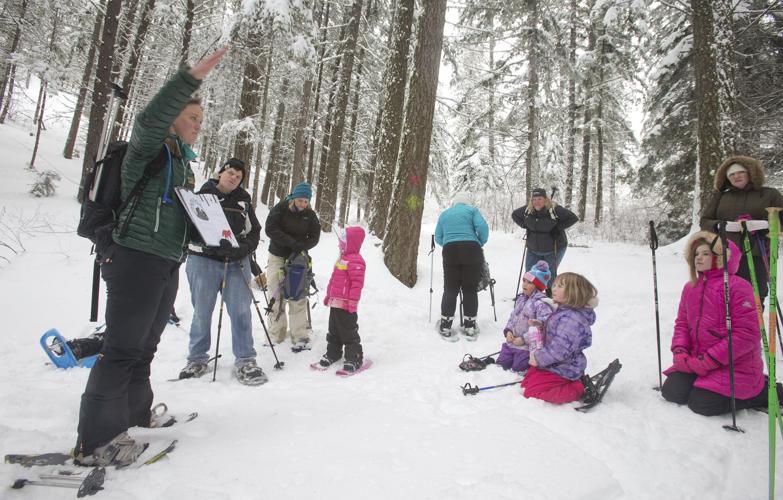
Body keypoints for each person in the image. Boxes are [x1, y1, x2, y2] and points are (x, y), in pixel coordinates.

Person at [74, 48, 228, 466]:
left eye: (200, 120)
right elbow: (147, 120)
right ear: (174, 115)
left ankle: (135, 414)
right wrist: (187, 81)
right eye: (192, 118)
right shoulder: (149, 148)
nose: (199, 126)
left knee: (145, 346)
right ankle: (97, 441)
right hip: (135, 258)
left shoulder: (182, 165)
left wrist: (210, 230)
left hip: (165, 262)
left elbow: (172, 215)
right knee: (122, 347)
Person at [178, 158, 266, 385]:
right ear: (220, 173)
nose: (233, 178)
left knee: (241, 311)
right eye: (230, 173)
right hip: (202, 260)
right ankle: (197, 359)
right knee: (201, 312)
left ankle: (246, 360)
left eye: (238, 177)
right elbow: (185, 227)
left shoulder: (244, 203)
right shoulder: (200, 196)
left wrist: (242, 250)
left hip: (236, 262)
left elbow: (255, 232)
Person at [661, 231, 767, 416]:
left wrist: (709, 360)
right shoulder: (691, 287)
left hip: (734, 365)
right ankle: (702, 382)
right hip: (696, 361)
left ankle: (763, 392)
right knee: (672, 391)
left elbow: (746, 335)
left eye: (705, 253)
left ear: (719, 257)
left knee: (701, 404)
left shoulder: (739, 286)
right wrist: (680, 352)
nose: (698, 258)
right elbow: (682, 324)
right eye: (696, 254)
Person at [699, 155, 783, 302]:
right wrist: (720, 225)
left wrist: (765, 224)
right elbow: (705, 221)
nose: (736, 176)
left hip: (759, 252)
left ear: (750, 172)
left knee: (753, 297)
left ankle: (752, 325)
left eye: (740, 172)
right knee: (726, 297)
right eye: (731, 174)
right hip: (726, 254)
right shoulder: (721, 197)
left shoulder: (769, 194)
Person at [521, 272, 596, 404]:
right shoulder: (564, 311)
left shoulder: (572, 319)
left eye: (560, 286)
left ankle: (577, 388)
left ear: (573, 292)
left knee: (532, 392)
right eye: (554, 285)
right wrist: (542, 325)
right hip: (555, 363)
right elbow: (557, 330)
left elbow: (559, 349)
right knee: (528, 380)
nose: (553, 289)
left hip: (565, 367)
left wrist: (538, 358)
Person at [264, 181, 320, 351]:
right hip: (277, 256)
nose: (303, 204)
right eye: (300, 200)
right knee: (276, 294)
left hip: (298, 259)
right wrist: (291, 242)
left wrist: (300, 247)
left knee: (298, 295)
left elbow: (315, 237)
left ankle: (300, 335)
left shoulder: (310, 215)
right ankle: (276, 334)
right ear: (294, 197)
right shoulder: (280, 209)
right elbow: (270, 229)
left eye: (306, 201)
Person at [434, 192, 489, 339]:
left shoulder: (445, 214)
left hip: (450, 251)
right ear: (467, 202)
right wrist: (479, 241)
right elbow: (483, 227)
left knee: (450, 288)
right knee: (470, 289)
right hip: (472, 250)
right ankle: (469, 326)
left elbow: (438, 237)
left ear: (455, 203)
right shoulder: (472, 210)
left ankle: (445, 325)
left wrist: (449, 242)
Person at [315, 225, 367, 372]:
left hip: (346, 305)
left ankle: (354, 357)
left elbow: (357, 285)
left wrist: (353, 302)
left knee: (348, 331)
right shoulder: (342, 259)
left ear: (351, 243)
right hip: (335, 303)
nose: (339, 244)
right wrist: (328, 297)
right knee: (334, 330)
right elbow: (333, 280)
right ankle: (333, 352)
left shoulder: (356, 261)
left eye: (342, 242)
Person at [511, 188, 578, 289]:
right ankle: (529, 293)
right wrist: (525, 225)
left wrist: (557, 228)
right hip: (533, 248)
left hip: (553, 248)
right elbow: (515, 215)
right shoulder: (528, 209)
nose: (536, 202)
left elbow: (573, 218)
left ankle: (550, 294)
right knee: (530, 272)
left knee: (549, 273)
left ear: (545, 199)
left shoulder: (554, 209)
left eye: (539, 199)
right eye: (534, 199)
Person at [496, 261, 556, 373]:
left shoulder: (541, 304)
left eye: (529, 283)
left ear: (537, 286)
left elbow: (542, 327)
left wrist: (524, 339)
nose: (524, 285)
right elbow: (513, 317)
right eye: (524, 281)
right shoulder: (521, 299)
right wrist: (508, 331)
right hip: (512, 342)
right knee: (502, 363)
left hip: (527, 347)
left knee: (519, 367)